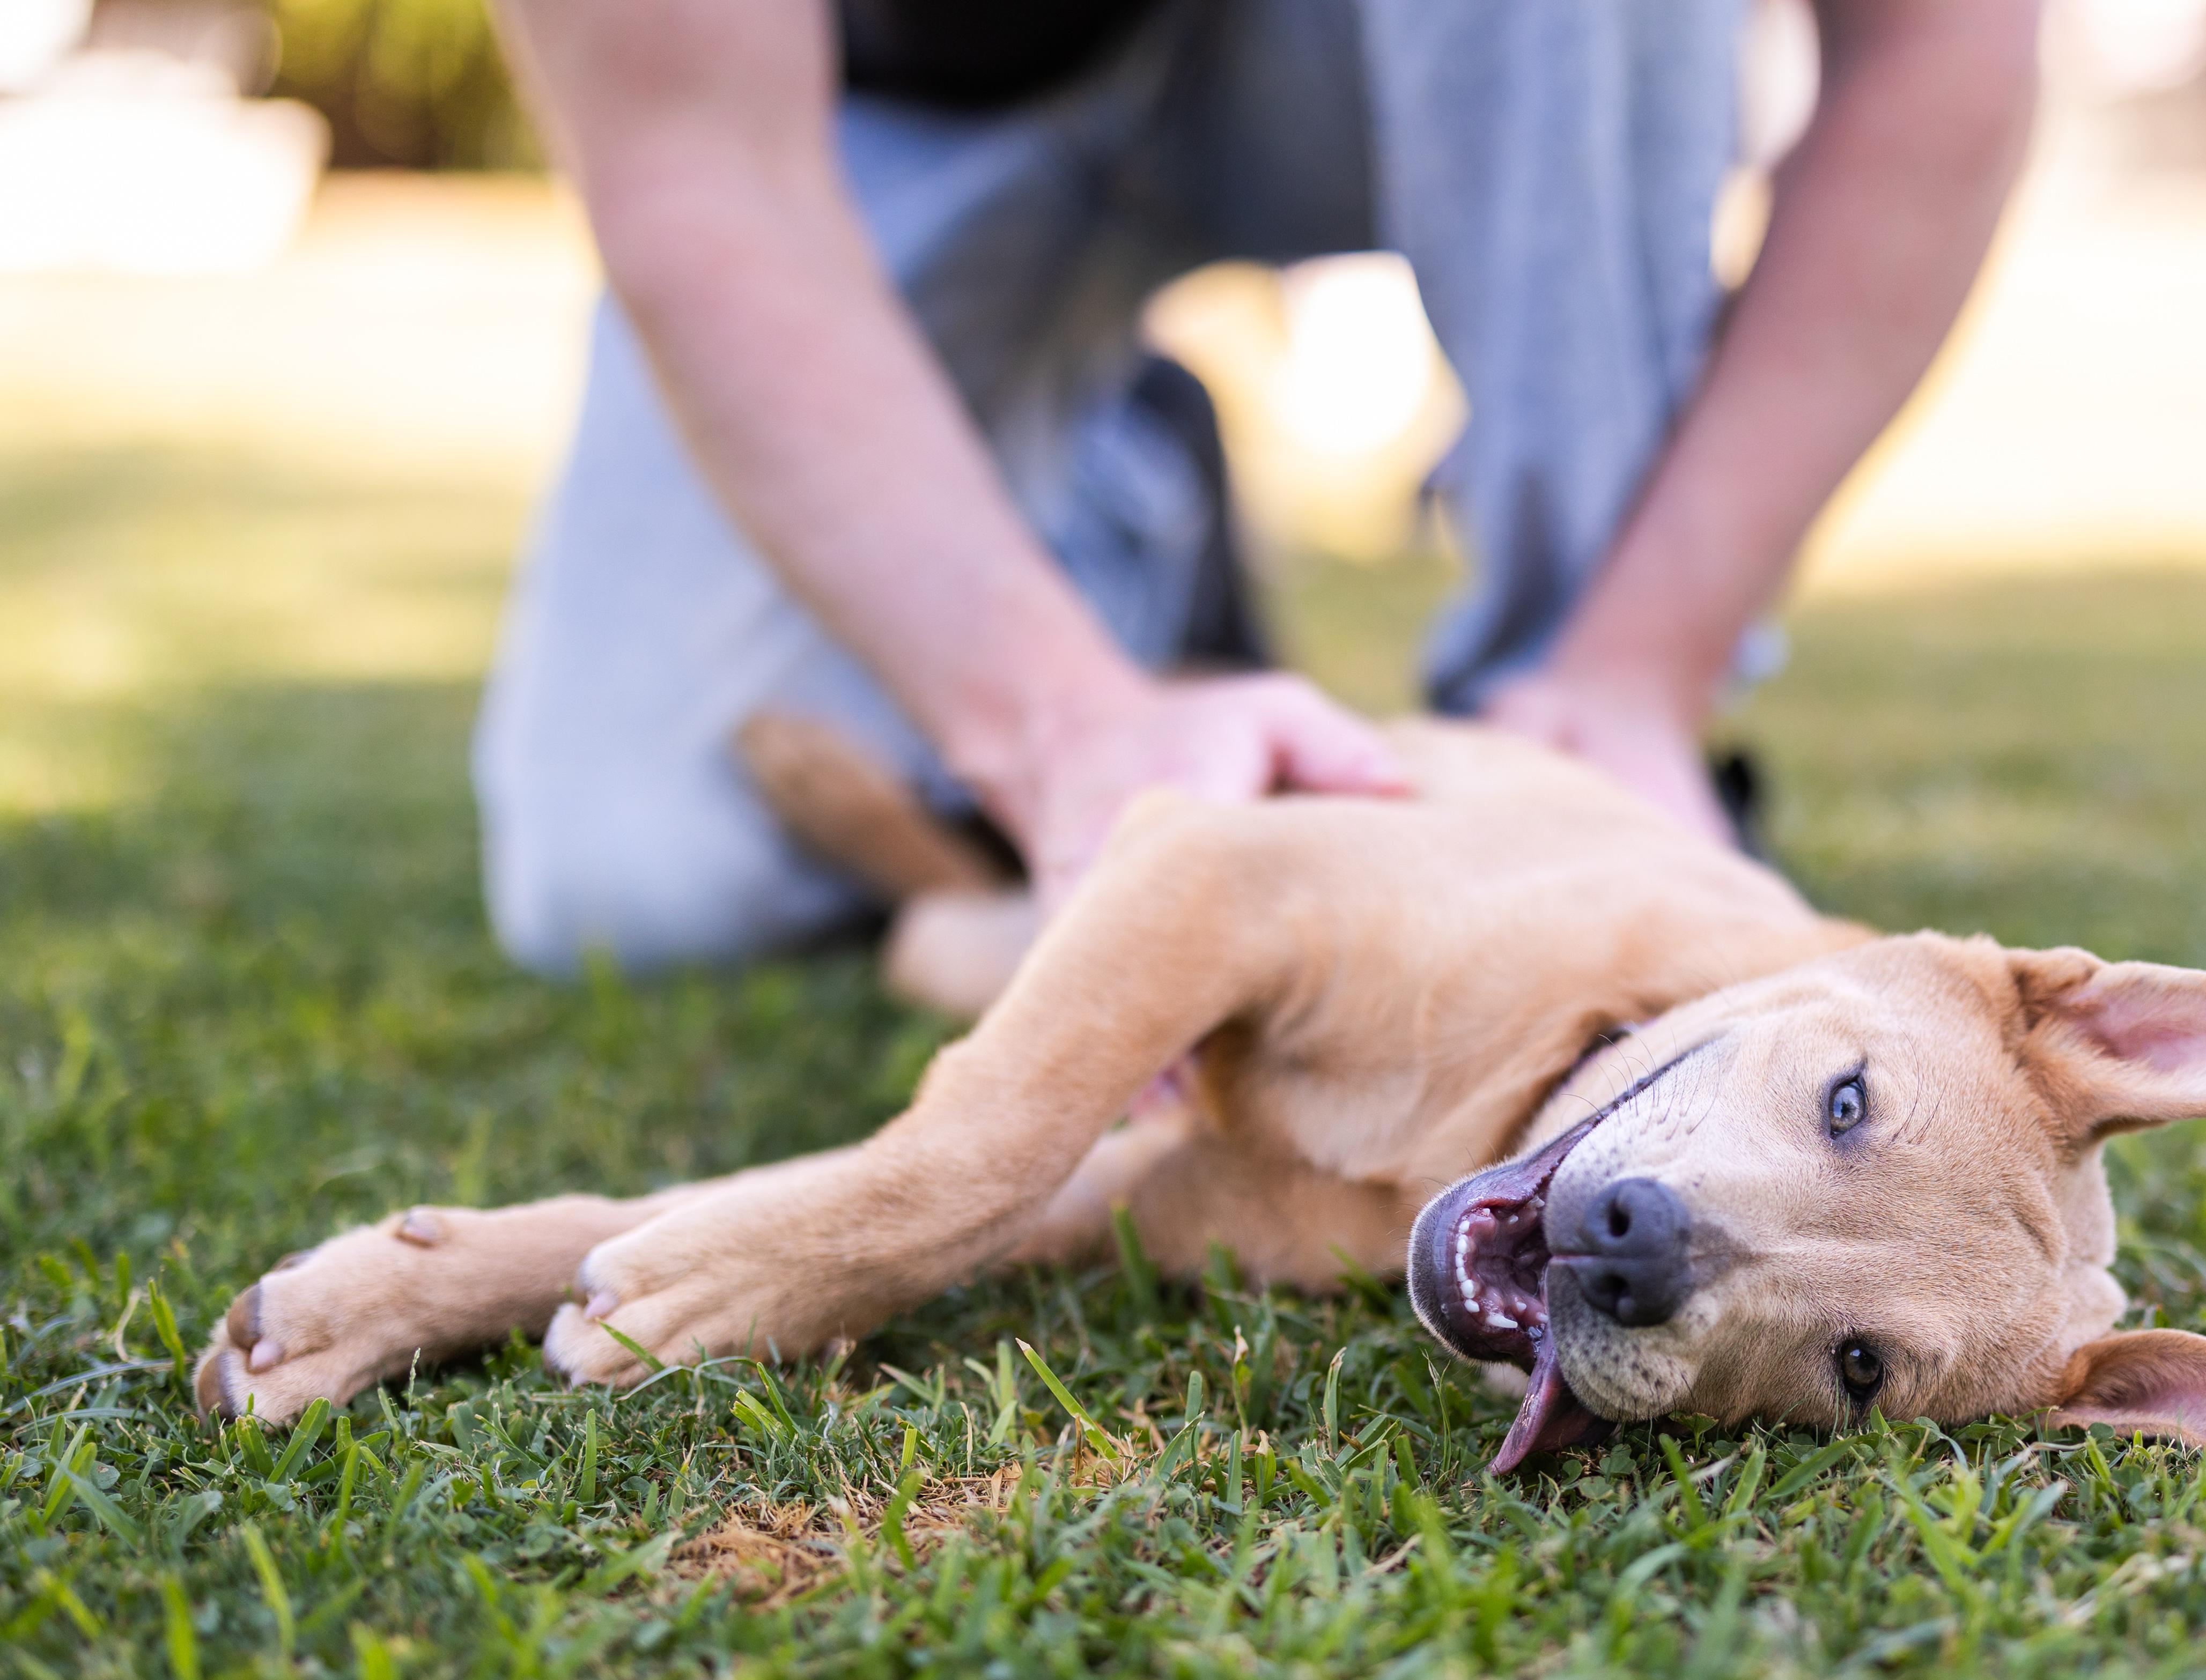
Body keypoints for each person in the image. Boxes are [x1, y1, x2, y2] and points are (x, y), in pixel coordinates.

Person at [475, 0, 2039, 972]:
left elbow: (1940, 46)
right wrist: (1055, 719)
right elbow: (697, 169)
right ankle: (1114, 518)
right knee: (646, 878)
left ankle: (1569, 756)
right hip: (915, 102)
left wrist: (1643, 661)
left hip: (1387, 49)